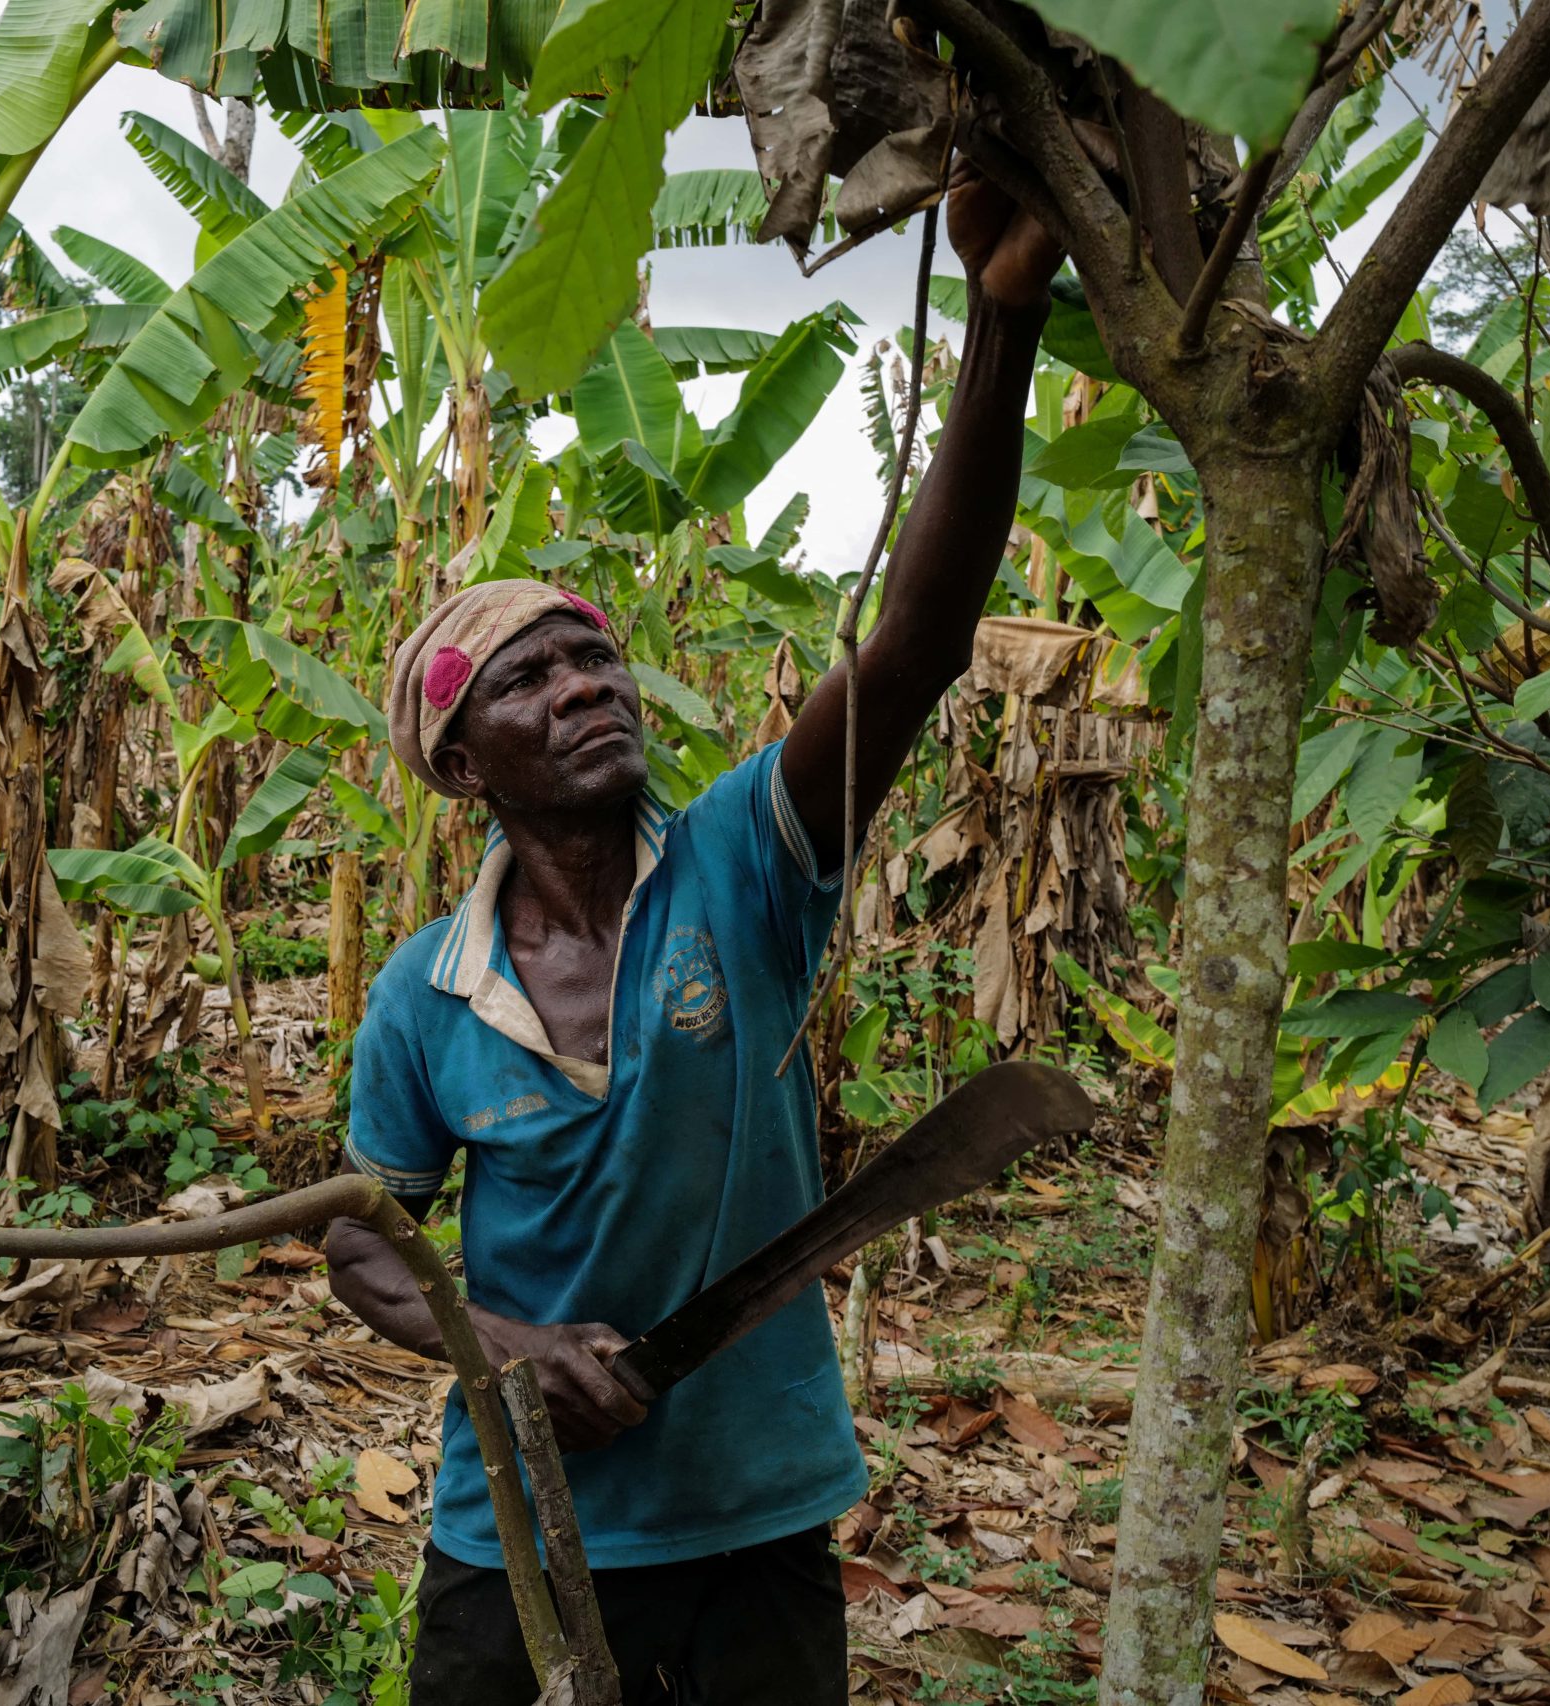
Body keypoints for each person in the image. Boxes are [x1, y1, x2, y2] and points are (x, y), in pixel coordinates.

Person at [323, 166, 1064, 1703]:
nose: (588, 683)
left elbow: (917, 643)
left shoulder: (744, 859)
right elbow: (360, 1241)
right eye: (528, 680)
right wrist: (515, 1345)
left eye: (597, 656)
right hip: (525, 1525)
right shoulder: (424, 998)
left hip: (756, 1512)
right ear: (463, 768)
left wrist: (1002, 320)